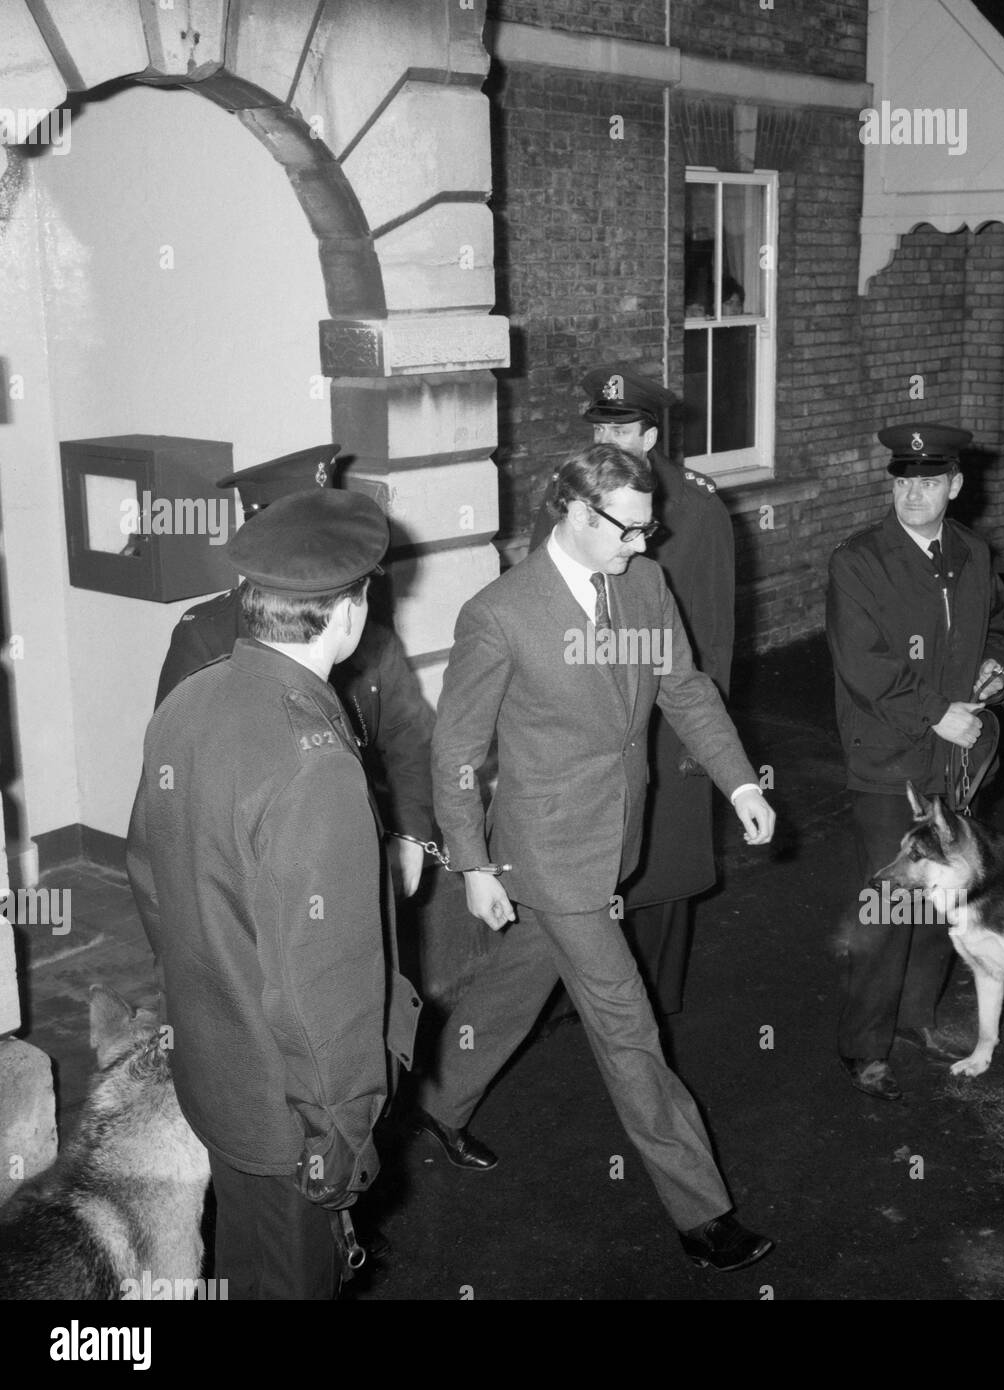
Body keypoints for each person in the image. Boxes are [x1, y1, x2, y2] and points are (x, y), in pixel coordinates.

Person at [417, 442, 776, 1273]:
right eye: (628, 530)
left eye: (647, 531)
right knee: (628, 1026)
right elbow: (455, 753)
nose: (641, 545)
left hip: (617, 831)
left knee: (520, 978)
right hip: (545, 850)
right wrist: (472, 863)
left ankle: (436, 1098)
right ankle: (703, 1212)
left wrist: (740, 784)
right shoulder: (499, 614)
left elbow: (684, 689)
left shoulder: (644, 585)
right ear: (577, 514)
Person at [126, 490, 421, 1299]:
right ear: (349, 613)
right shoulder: (313, 759)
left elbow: (149, 872)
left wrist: (202, 995)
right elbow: (323, 991)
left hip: (214, 1074)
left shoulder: (189, 701)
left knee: (240, 1269)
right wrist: (340, 1135)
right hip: (290, 1113)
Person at [529, 364, 736, 1017]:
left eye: (624, 428)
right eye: (601, 427)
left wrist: (703, 740)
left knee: (663, 858)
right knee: (584, 851)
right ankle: (582, 990)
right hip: (581, 711)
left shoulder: (695, 507)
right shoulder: (565, 499)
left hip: (663, 710)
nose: (611, 439)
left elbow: (713, 629)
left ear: (650, 434)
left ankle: (654, 999)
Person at [826, 423, 1004, 1102]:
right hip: (889, 762)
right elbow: (863, 665)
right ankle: (862, 1047)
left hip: (955, 766)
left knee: (945, 899)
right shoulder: (859, 560)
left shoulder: (971, 551)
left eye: (928, 481)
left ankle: (916, 1020)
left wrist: (997, 665)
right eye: (902, 480)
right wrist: (936, 709)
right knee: (887, 906)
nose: (913, 493)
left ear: (954, 487)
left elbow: (997, 621)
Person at [155, 444, 435, 899]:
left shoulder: (368, 632)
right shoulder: (205, 634)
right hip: (257, 872)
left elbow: (410, 738)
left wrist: (409, 833)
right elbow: (180, 779)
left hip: (360, 840)